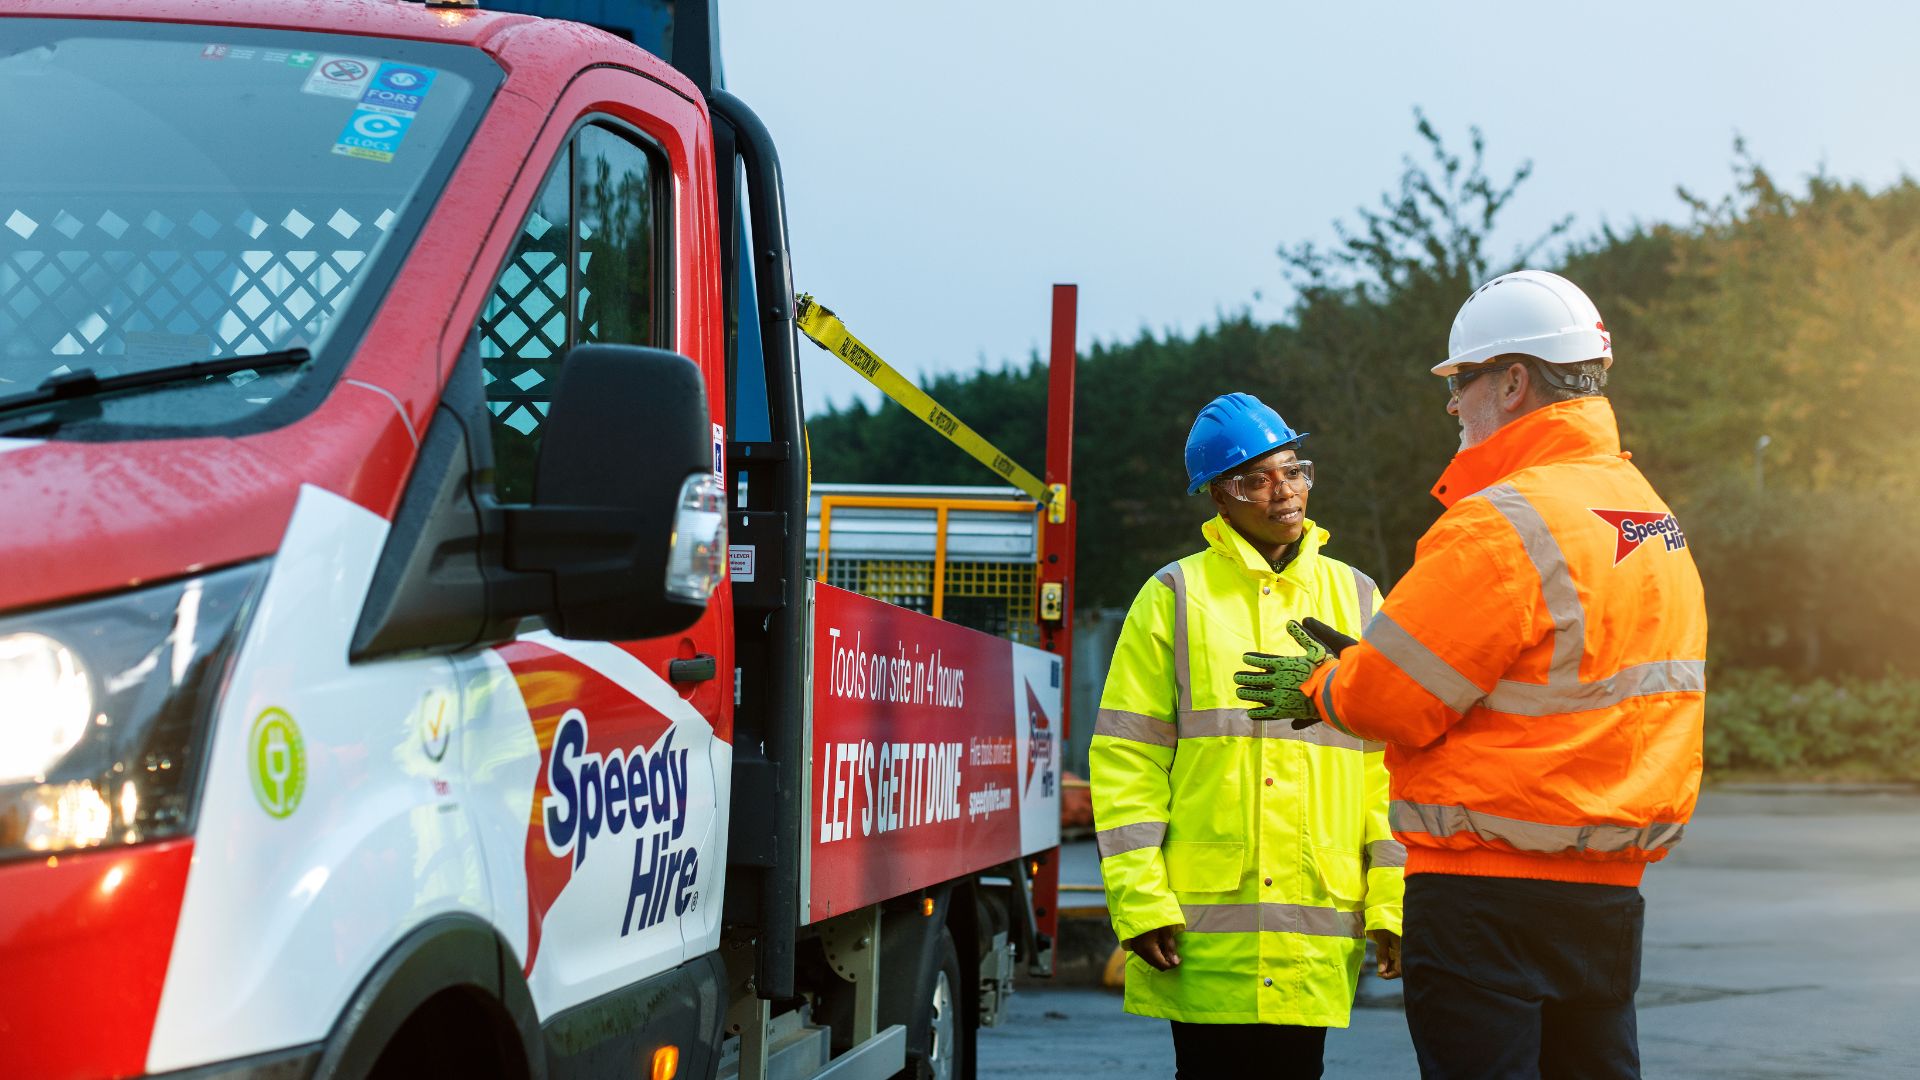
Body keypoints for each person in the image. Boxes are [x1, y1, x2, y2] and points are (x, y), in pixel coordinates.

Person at [1235, 270, 1707, 1079]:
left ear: (1515, 381)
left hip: (1487, 893)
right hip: (1608, 890)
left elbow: (1392, 699)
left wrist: (1327, 683)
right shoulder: (1648, 517)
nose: (1453, 403)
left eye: (1463, 381)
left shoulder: (1500, 522)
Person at [1091, 393, 1405, 1080]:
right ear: (1217, 497)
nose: (1282, 491)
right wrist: (1139, 900)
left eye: (1293, 470)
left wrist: (1391, 897)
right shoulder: (1173, 598)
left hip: (1316, 923)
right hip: (1201, 934)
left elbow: (1391, 765)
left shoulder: (1358, 598)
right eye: (1253, 479)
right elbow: (1127, 761)